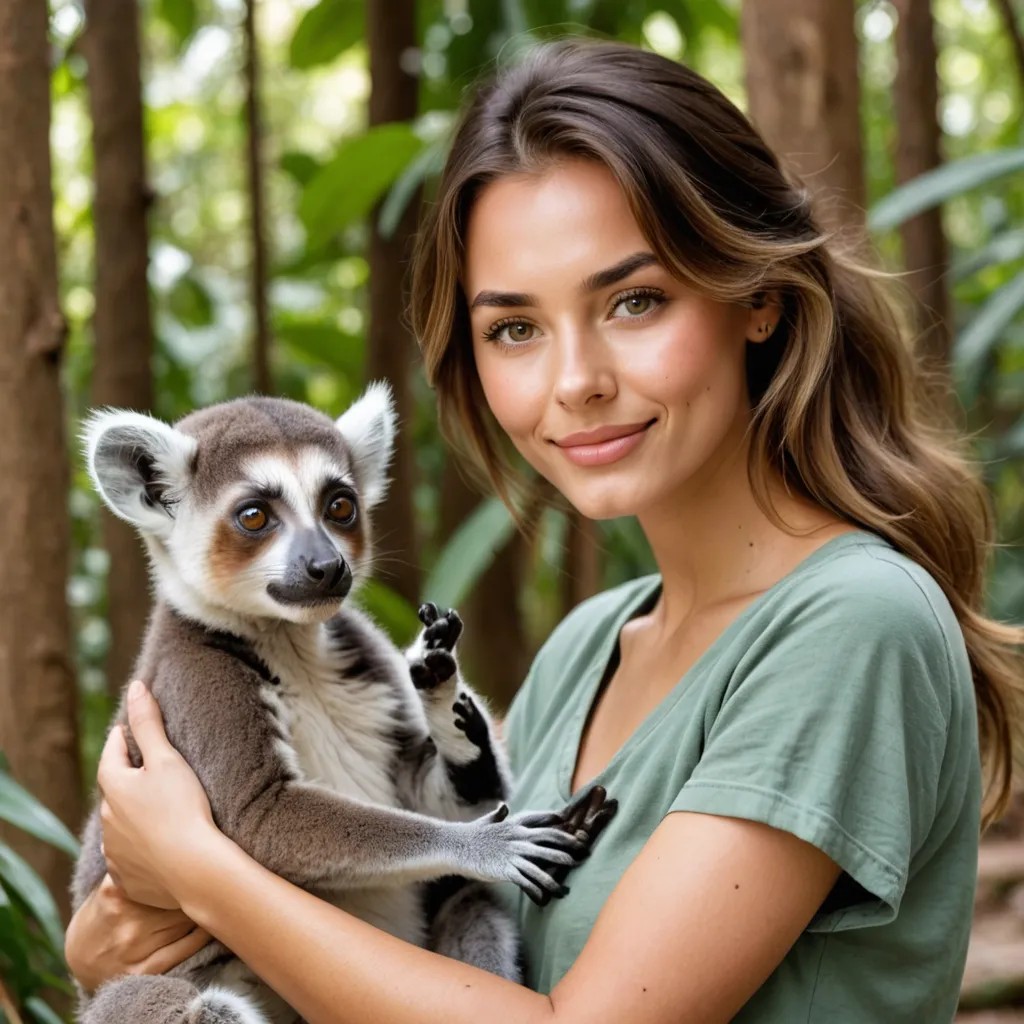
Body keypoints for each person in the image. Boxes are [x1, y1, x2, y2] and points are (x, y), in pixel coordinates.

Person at [66, 38, 1022, 1023]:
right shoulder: (583, 649)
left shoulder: (849, 624)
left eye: (634, 300)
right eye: (515, 327)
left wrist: (199, 865)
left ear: (759, 300)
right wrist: (112, 937)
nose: (576, 381)